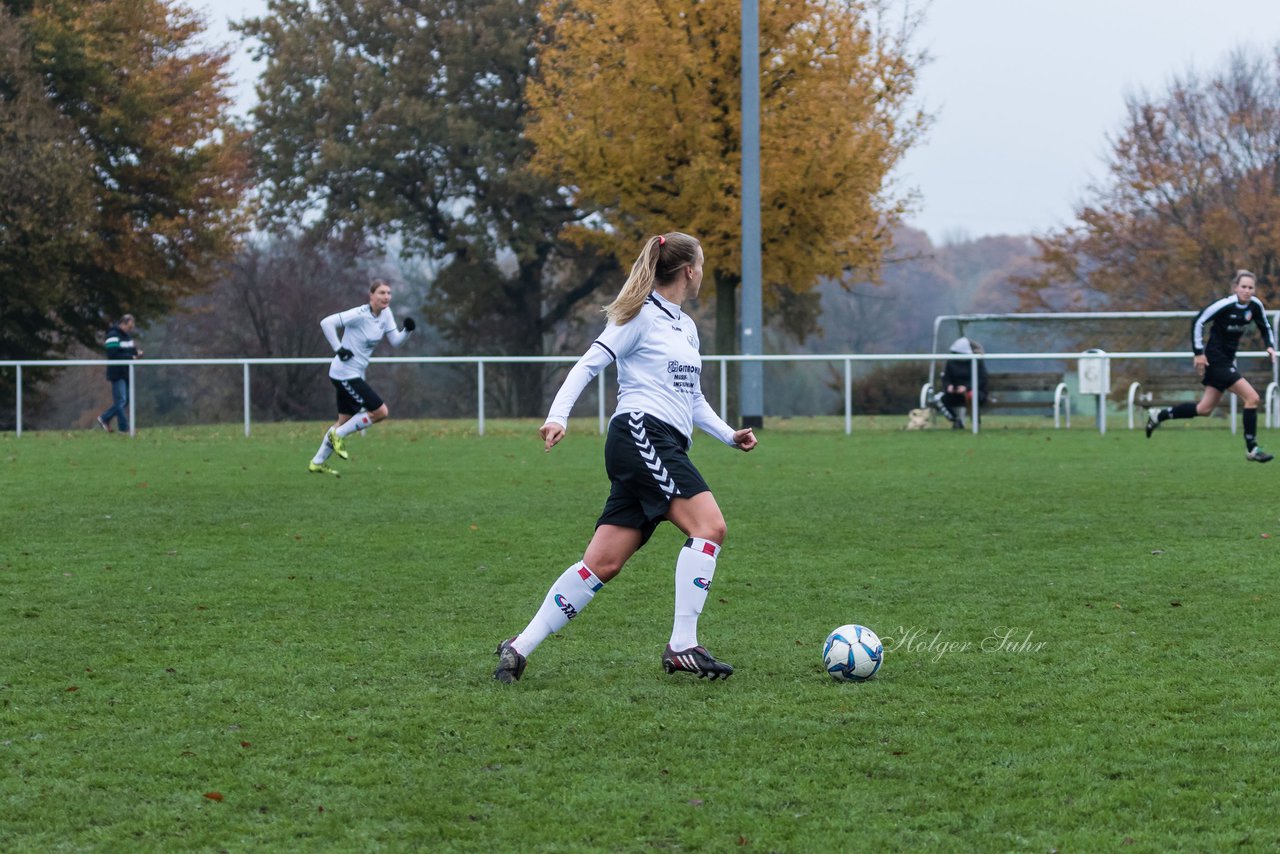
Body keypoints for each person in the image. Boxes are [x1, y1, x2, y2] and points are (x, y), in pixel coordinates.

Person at [493, 232, 758, 684]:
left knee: (603, 564)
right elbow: (588, 364)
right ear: (689, 270)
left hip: (658, 443)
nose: (704, 270)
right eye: (703, 262)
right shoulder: (640, 316)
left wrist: (728, 435)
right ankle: (682, 646)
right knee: (710, 526)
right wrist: (559, 416)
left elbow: (692, 399)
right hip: (640, 433)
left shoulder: (686, 326)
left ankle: (518, 648)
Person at [1146, 269, 1278, 462]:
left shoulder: (1255, 306)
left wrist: (1270, 346)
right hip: (1215, 360)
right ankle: (1252, 448)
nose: (1247, 291)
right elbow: (1198, 321)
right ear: (1235, 288)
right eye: (1243, 287)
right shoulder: (1225, 304)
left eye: (1251, 287)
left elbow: (1264, 326)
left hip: (1225, 361)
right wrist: (1198, 353)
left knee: (1204, 409)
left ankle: (1159, 415)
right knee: (1252, 398)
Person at [307, 278, 415, 475]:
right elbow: (326, 323)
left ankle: (317, 462)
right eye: (382, 293)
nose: (386, 297)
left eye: (389, 293)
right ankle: (337, 436)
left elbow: (396, 342)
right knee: (380, 412)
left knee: (344, 419)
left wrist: (407, 330)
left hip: (352, 374)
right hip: (344, 374)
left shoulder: (386, 314)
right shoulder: (359, 314)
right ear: (371, 295)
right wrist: (338, 349)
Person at [96, 314, 142, 433]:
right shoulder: (112, 335)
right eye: (129, 327)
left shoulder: (127, 337)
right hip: (116, 372)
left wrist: (137, 353)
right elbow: (113, 355)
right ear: (123, 323)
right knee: (121, 400)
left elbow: (132, 350)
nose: (130, 330)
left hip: (126, 372)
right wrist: (131, 357)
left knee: (126, 400)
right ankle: (124, 428)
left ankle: (104, 418)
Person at [930, 336, 989, 429]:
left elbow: (981, 380)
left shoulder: (976, 362)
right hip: (956, 393)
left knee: (972, 396)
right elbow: (946, 378)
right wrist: (948, 386)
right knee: (939, 399)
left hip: (975, 392)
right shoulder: (951, 362)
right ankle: (956, 420)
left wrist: (967, 388)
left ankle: (976, 424)